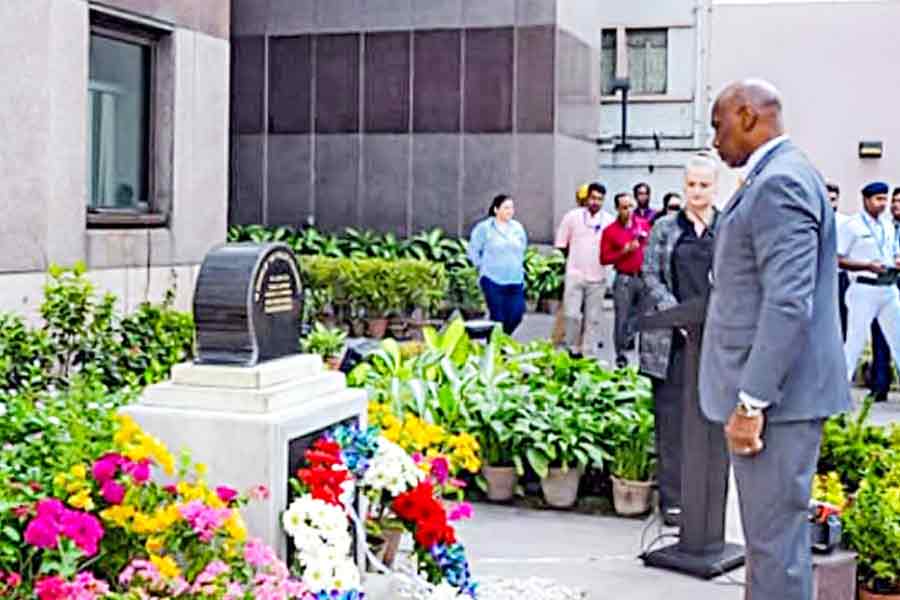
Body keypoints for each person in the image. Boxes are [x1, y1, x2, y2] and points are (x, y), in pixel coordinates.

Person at [700, 80, 850, 600]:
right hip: (780, 399)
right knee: (770, 548)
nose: (715, 141)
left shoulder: (780, 182)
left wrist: (752, 399)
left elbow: (788, 303)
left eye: (718, 125)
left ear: (746, 117)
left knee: (775, 551)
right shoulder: (775, 175)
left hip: (777, 403)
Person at [640, 153, 721, 527]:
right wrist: (678, 317)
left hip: (715, 340)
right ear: (683, 186)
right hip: (671, 343)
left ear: (715, 187)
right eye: (691, 185)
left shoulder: (727, 228)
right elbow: (651, 275)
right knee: (671, 422)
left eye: (704, 185)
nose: (697, 192)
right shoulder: (665, 228)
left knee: (710, 422)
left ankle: (704, 499)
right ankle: (671, 499)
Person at [838, 181, 900, 399]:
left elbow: (891, 252)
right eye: (878, 199)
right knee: (854, 342)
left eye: (885, 198)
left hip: (888, 287)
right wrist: (866, 265)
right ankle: (839, 393)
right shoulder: (852, 226)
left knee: (898, 338)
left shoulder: (888, 226)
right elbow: (838, 260)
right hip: (863, 288)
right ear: (866, 200)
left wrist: (895, 261)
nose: (883, 204)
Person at [555, 182, 614, 359]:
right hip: (575, 274)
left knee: (592, 319)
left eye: (600, 199)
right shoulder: (572, 217)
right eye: (593, 198)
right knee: (571, 315)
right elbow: (561, 245)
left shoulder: (609, 221)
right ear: (586, 198)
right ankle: (572, 349)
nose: (595, 202)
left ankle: (588, 354)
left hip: (598, 277)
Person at [600, 192, 650, 368]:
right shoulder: (610, 231)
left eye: (631, 206)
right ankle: (621, 355)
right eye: (624, 207)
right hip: (624, 278)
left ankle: (643, 354)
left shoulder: (643, 225)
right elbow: (604, 258)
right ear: (617, 209)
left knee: (643, 317)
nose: (628, 211)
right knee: (622, 318)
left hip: (643, 277)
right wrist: (624, 251)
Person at [468, 194, 528, 335]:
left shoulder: (517, 228)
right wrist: (480, 266)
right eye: (506, 208)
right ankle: (497, 347)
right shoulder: (485, 228)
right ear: (496, 209)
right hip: (492, 279)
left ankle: (499, 339)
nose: (510, 211)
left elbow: (523, 248)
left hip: (515, 279)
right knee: (498, 317)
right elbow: (473, 250)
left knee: (516, 315)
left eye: (511, 208)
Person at [829, 181, 851, 339]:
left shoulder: (846, 223)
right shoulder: (810, 220)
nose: (831, 203)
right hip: (817, 276)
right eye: (827, 199)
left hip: (839, 276)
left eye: (833, 199)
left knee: (842, 316)